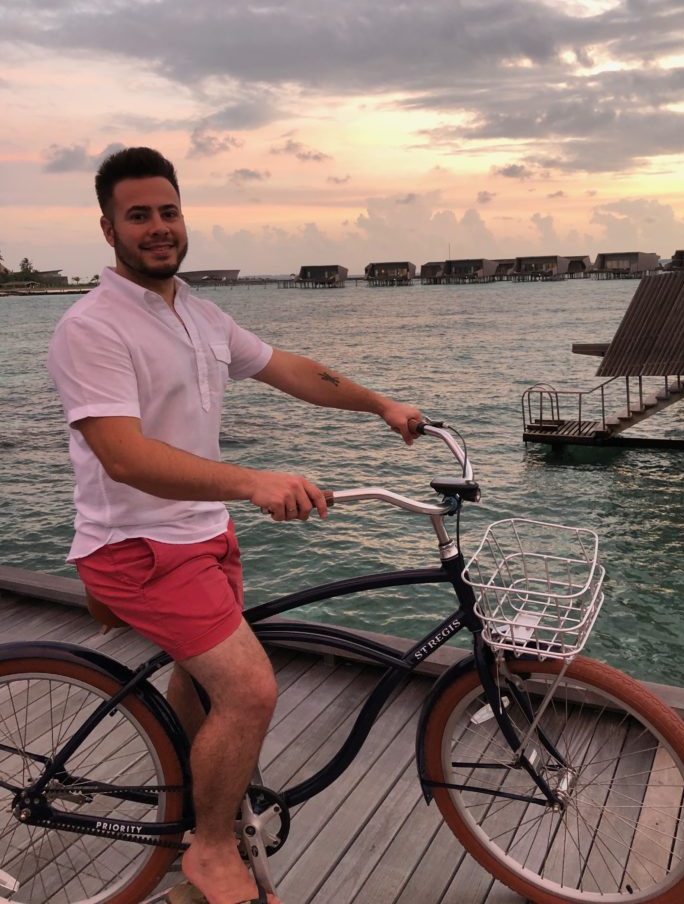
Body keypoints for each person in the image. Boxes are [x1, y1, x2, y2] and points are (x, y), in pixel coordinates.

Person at [47, 146, 422, 904]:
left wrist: (383, 404)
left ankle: (187, 810)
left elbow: (291, 369)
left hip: (201, 535)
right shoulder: (91, 328)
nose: (158, 227)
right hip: (136, 546)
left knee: (204, 682)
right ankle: (212, 850)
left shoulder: (201, 314)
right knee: (250, 691)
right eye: (139, 215)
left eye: (168, 211)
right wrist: (254, 482)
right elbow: (122, 457)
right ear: (108, 228)